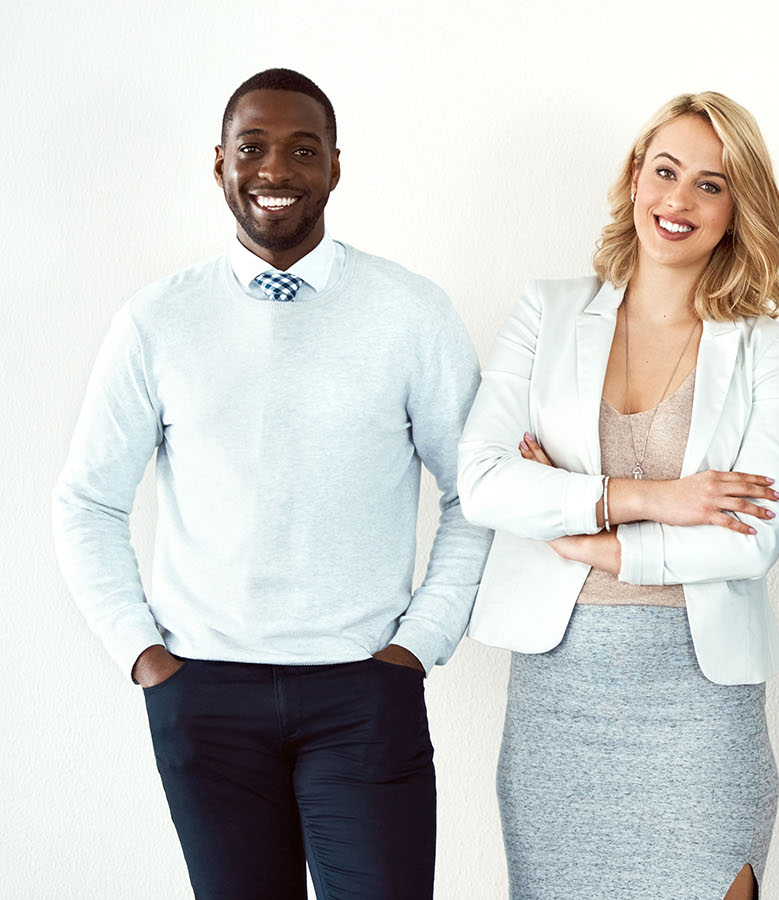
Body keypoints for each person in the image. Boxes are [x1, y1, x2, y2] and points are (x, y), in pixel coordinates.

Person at [49, 68, 490, 899]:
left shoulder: (410, 312)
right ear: (219, 163)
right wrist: (144, 657)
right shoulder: (156, 321)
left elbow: (476, 493)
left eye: (301, 149)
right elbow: (87, 502)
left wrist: (416, 646)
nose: (275, 171)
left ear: (334, 166)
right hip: (203, 695)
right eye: (252, 148)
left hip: (364, 691)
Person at [455, 91, 779, 900]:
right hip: (559, 704)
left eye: (710, 185)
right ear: (634, 178)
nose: (678, 200)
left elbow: (753, 538)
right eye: (666, 171)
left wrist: (589, 536)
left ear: (736, 209)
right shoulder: (547, 312)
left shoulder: (768, 350)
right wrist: (654, 498)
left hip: (703, 707)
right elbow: (483, 480)